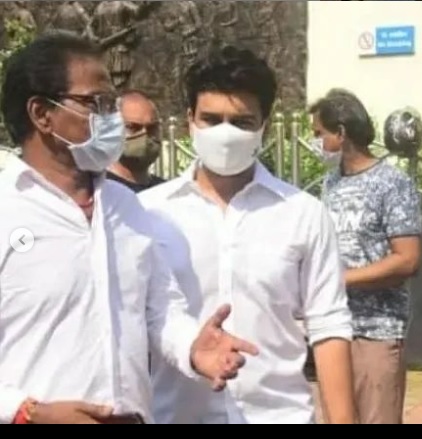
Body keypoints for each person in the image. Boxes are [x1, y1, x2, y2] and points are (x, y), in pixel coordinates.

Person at [0, 31, 257, 425]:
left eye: (112, 104)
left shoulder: (126, 207)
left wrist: (192, 348)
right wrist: (28, 412)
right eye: (96, 103)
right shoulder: (7, 209)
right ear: (42, 114)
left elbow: (160, 309)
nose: (112, 119)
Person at [140, 46, 356, 425]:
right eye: (211, 119)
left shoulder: (303, 214)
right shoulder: (149, 214)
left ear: (264, 126)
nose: (225, 134)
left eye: (241, 122)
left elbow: (329, 327)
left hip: (278, 416)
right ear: (190, 121)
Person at [309, 89, 422, 424]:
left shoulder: (392, 183)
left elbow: (407, 259)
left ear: (341, 133)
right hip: (334, 329)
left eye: (319, 133)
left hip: (376, 331)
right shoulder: (331, 183)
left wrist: (340, 279)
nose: (315, 142)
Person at [107, 89, 165, 192]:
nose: (144, 134)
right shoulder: (99, 191)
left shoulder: (165, 191)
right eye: (133, 127)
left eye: (152, 128)